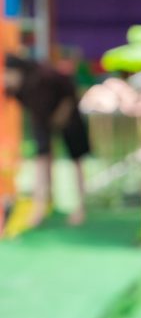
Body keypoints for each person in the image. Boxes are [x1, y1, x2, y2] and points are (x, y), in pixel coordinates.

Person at [3, 54, 90, 226]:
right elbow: (36, 115)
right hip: (44, 119)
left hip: (69, 116)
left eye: (8, 74)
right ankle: (40, 208)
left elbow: (70, 91)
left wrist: (62, 113)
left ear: (18, 72)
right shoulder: (19, 90)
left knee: (76, 159)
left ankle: (80, 208)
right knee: (42, 159)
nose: (5, 78)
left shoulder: (42, 78)